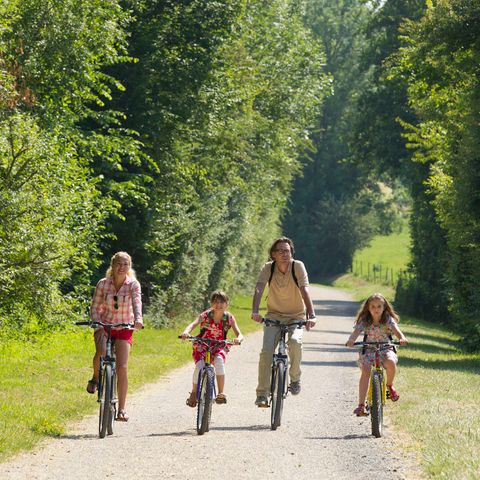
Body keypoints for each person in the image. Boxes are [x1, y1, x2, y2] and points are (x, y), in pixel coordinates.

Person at [251, 236, 316, 407]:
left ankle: (294, 378)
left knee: (295, 342)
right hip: (273, 315)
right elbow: (259, 287)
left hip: (296, 315)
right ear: (273, 254)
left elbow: (304, 289)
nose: (284, 254)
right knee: (266, 352)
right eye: (280, 251)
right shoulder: (268, 268)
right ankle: (262, 394)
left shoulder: (297, 266)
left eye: (287, 250)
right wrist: (255, 311)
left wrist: (311, 314)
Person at [86, 251, 143, 422]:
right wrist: (96, 321)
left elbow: (137, 303)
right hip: (104, 325)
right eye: (118, 263)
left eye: (125, 264)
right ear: (112, 265)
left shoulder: (133, 284)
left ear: (129, 267)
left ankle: (122, 409)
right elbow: (95, 306)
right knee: (101, 353)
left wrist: (139, 320)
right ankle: (96, 377)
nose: (121, 267)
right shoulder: (103, 284)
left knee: (122, 367)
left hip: (125, 326)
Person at [346, 292, 408, 416]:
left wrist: (402, 338)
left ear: (384, 307)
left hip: (386, 348)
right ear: (368, 308)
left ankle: (389, 386)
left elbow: (397, 331)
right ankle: (361, 405)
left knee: (390, 362)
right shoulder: (365, 320)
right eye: (373, 307)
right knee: (366, 371)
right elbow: (356, 332)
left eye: (379, 306)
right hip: (369, 349)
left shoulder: (388, 319)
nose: (376, 309)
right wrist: (351, 340)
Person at [181, 290, 243, 407]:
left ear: (226, 304)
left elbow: (239, 334)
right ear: (211, 304)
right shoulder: (206, 315)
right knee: (199, 367)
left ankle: (220, 393)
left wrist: (238, 339)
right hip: (202, 344)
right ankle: (194, 393)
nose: (218, 305)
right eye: (215, 302)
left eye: (221, 302)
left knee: (219, 361)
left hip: (219, 345)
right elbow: (193, 324)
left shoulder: (229, 318)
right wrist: (186, 332)